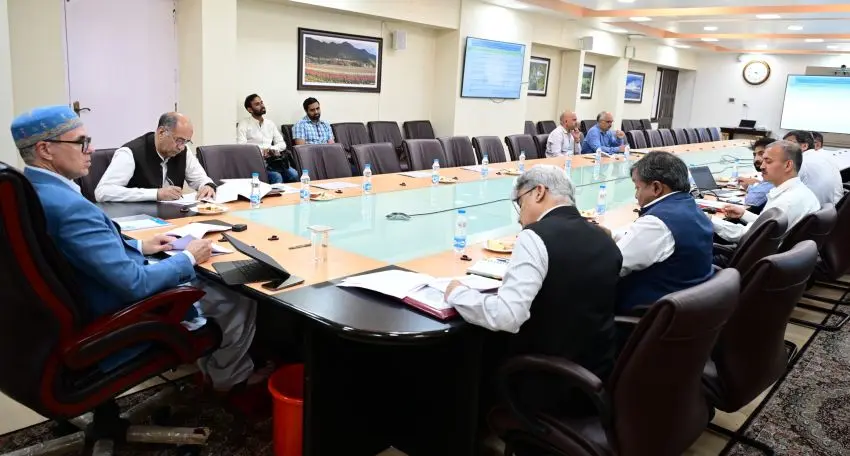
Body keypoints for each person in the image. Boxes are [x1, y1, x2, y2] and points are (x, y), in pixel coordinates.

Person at [12, 106, 270, 410]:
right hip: (111, 313)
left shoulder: (33, 190)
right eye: (81, 142)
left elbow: (83, 250)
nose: (91, 149)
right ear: (45, 150)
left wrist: (141, 246)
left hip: (75, 304)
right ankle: (230, 381)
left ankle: (208, 368)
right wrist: (188, 257)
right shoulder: (70, 207)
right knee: (235, 295)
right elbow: (135, 283)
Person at [444, 165, 622, 417]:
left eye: (520, 203)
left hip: (548, 384)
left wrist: (457, 293)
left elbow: (507, 316)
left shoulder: (535, 237)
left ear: (539, 192)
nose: (519, 217)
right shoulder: (604, 236)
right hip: (597, 379)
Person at [614, 151, 714, 314]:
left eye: (637, 187)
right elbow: (646, 243)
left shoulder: (656, 223)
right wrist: (610, 236)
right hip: (687, 308)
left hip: (647, 313)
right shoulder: (690, 207)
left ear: (656, 187)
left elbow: (609, 266)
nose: (636, 195)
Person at [713, 140, 820, 243]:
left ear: (788, 165)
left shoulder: (785, 202)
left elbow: (746, 235)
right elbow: (767, 225)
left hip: (758, 253)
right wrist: (743, 214)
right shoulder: (800, 191)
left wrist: (709, 220)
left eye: (768, 161)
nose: (762, 166)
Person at [95, 113, 217, 202]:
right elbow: (102, 192)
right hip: (137, 219)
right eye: (179, 140)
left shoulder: (183, 150)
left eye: (186, 142)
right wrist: (156, 194)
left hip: (172, 217)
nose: (181, 147)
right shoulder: (130, 153)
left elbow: (200, 179)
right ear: (161, 132)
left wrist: (206, 186)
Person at [237, 94, 298, 183]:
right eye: (257, 104)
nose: (262, 105)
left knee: (295, 175)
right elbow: (241, 147)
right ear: (250, 109)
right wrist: (262, 151)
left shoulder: (270, 124)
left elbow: (282, 144)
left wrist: (271, 149)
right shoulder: (244, 124)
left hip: (273, 161)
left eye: (261, 102)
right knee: (277, 177)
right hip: (255, 163)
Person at [783, 130, 842, 206]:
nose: (783, 148)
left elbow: (782, 187)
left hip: (816, 209)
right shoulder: (824, 156)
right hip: (835, 206)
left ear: (804, 146)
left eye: (789, 144)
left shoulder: (800, 161)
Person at [738, 136, 775, 213]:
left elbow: (751, 201)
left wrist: (755, 185)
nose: (756, 159)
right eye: (754, 155)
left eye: (761, 154)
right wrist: (753, 185)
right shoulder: (768, 179)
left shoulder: (774, 180)